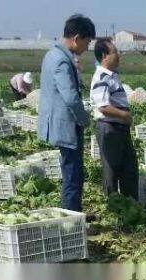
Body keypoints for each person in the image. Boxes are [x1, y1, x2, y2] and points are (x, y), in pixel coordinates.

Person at [38, 14, 95, 214]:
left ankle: (75, 213)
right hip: (66, 124)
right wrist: (84, 119)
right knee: (73, 174)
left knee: (72, 171)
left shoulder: (51, 54)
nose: (87, 47)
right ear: (77, 37)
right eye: (87, 42)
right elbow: (70, 97)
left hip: (55, 121)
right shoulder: (62, 60)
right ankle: (71, 220)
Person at [90, 38, 138, 201]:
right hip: (109, 127)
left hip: (118, 127)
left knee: (128, 166)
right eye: (115, 52)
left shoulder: (112, 76)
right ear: (104, 55)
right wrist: (124, 115)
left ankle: (129, 202)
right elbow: (103, 107)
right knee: (111, 169)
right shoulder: (101, 77)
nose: (119, 56)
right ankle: (115, 205)